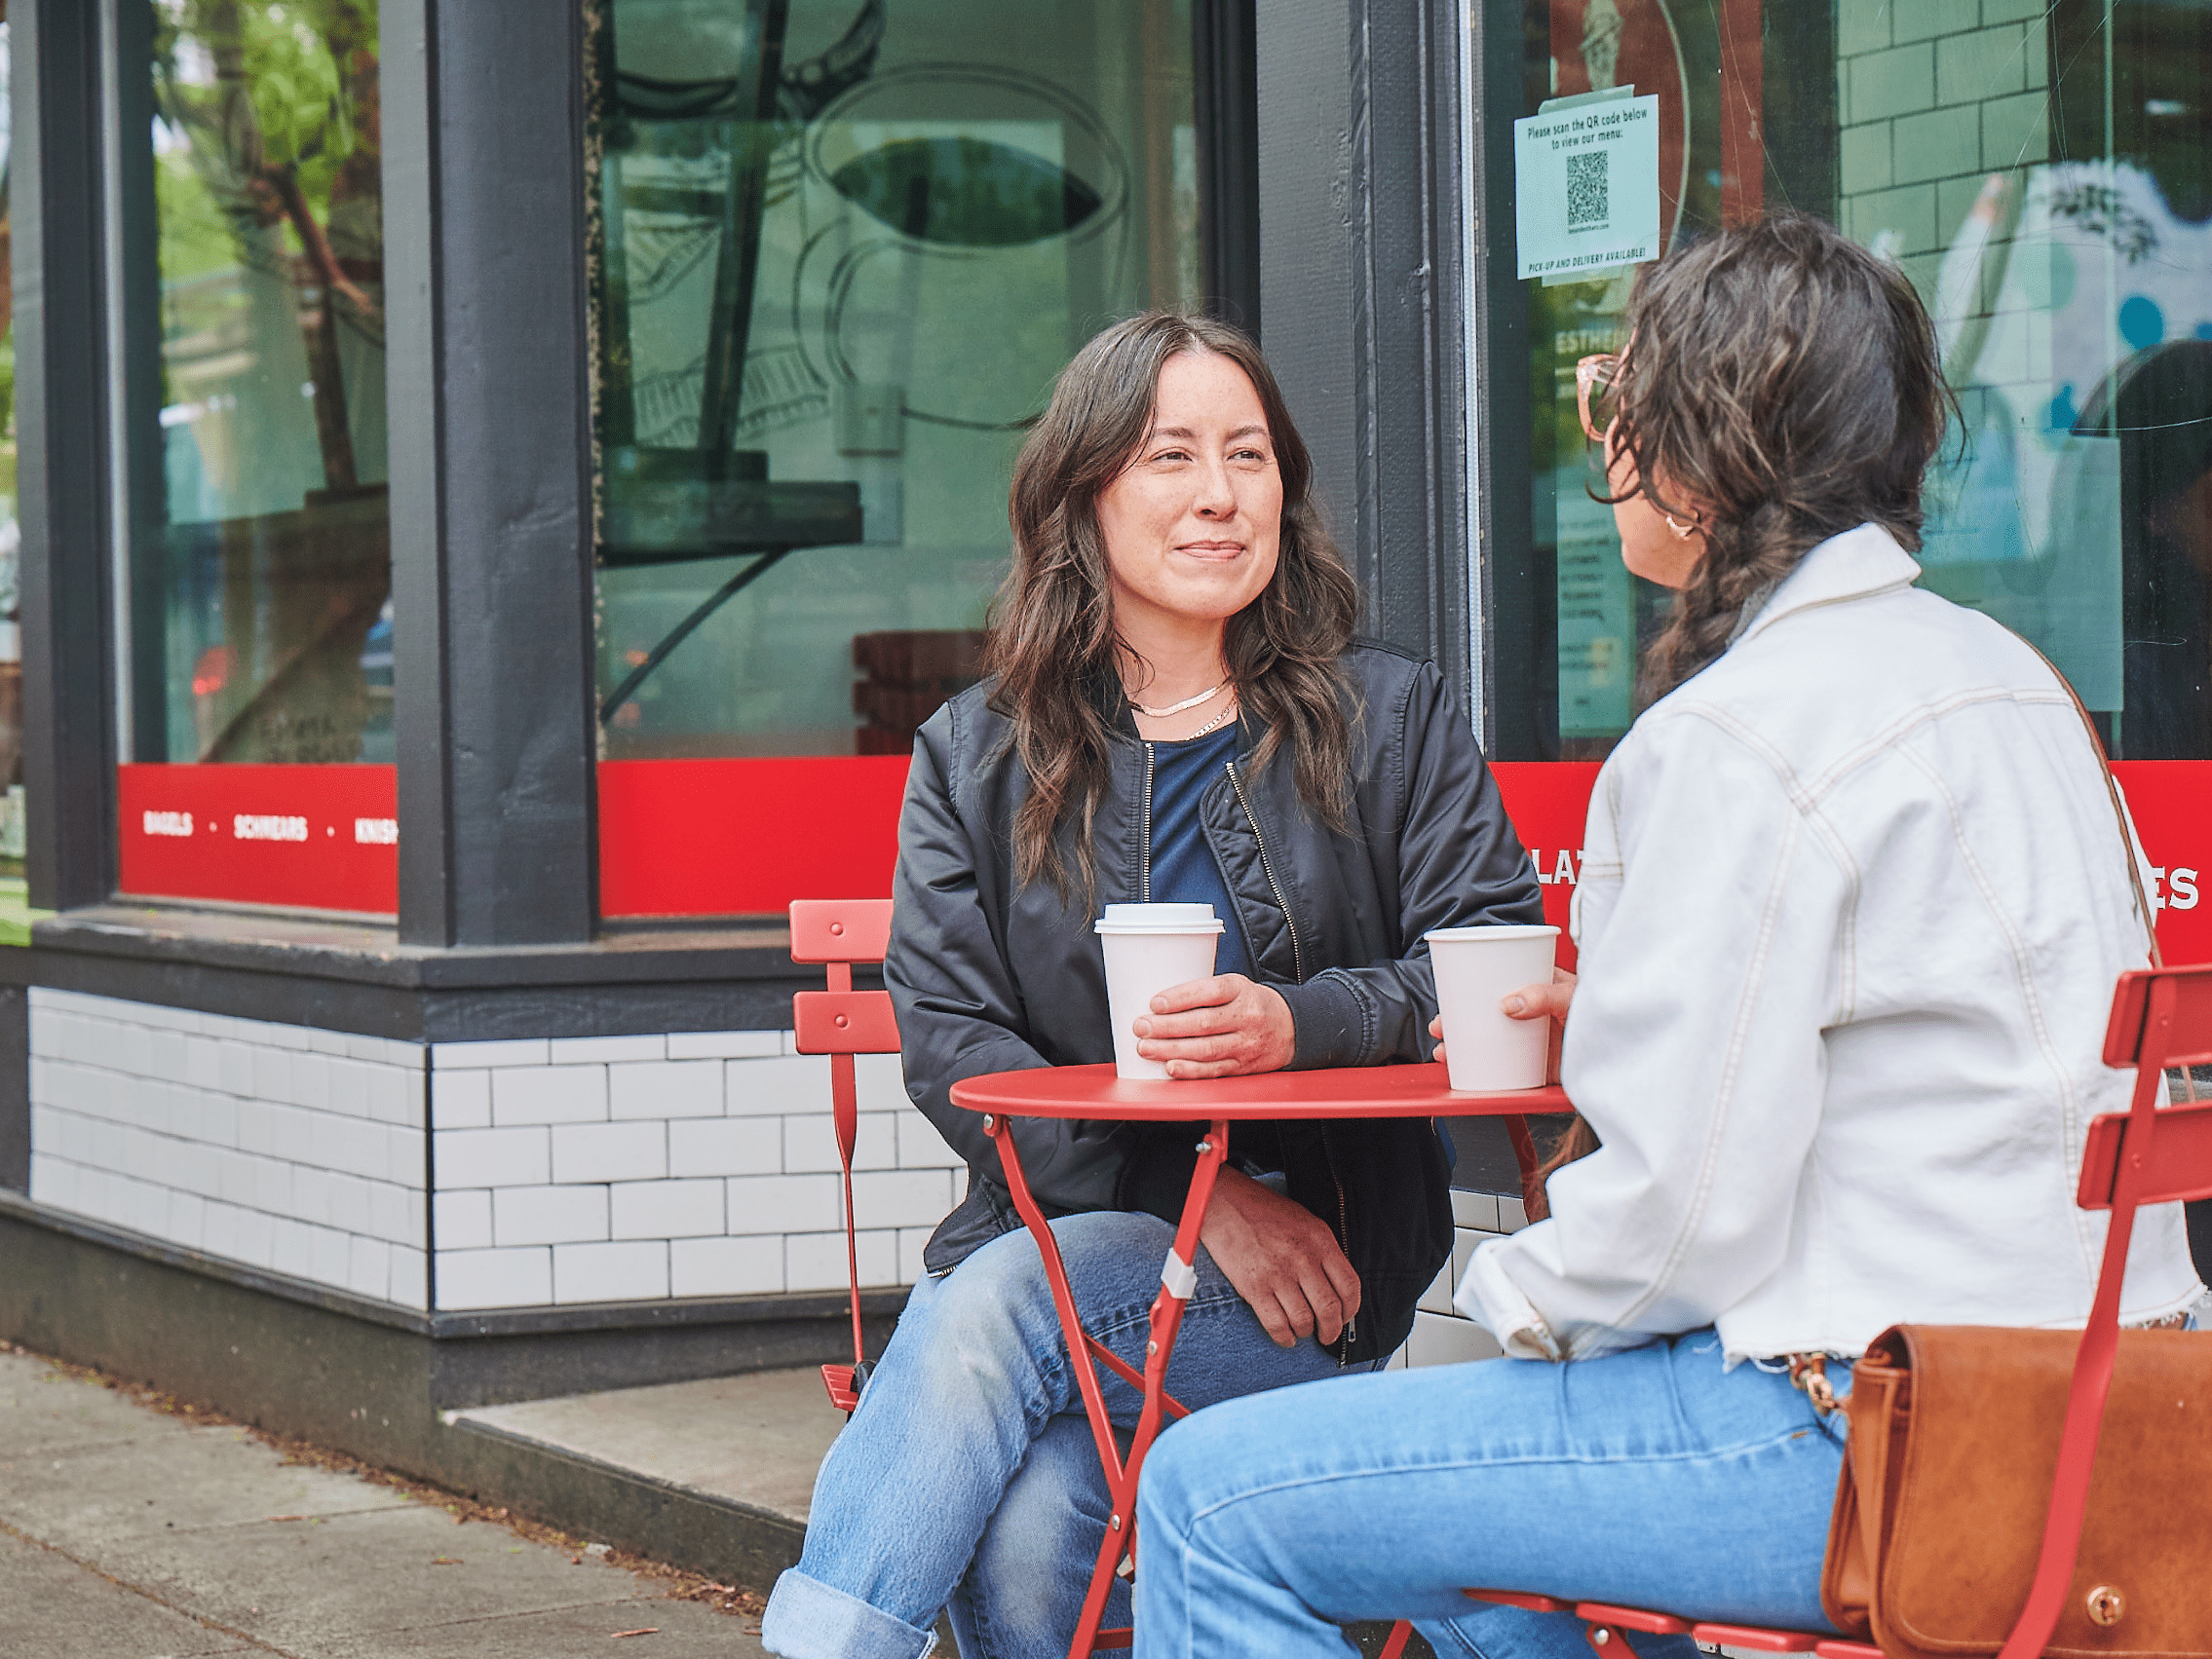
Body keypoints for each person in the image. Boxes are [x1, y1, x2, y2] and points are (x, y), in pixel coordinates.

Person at [1128, 214, 2209, 1658]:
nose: (1602, 436)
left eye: (1612, 397)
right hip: (2121, 1426)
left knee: (1207, 1491)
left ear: (1694, 457)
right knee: (1479, 1578)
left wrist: (1492, 1306)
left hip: (1868, 1442)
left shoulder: (1734, 733)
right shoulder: (2013, 682)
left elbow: (1673, 1231)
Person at [758, 312, 1543, 1659]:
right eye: (1170, 454)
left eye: (1247, 454)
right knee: (1033, 1515)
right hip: (1082, 1243)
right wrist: (1194, 1193)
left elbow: (1488, 960)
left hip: (1319, 1271)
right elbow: (952, 1044)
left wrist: (1303, 1024)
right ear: (1085, 494)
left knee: (993, 1309)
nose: (1219, 493)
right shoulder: (977, 755)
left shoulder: (1388, 719)